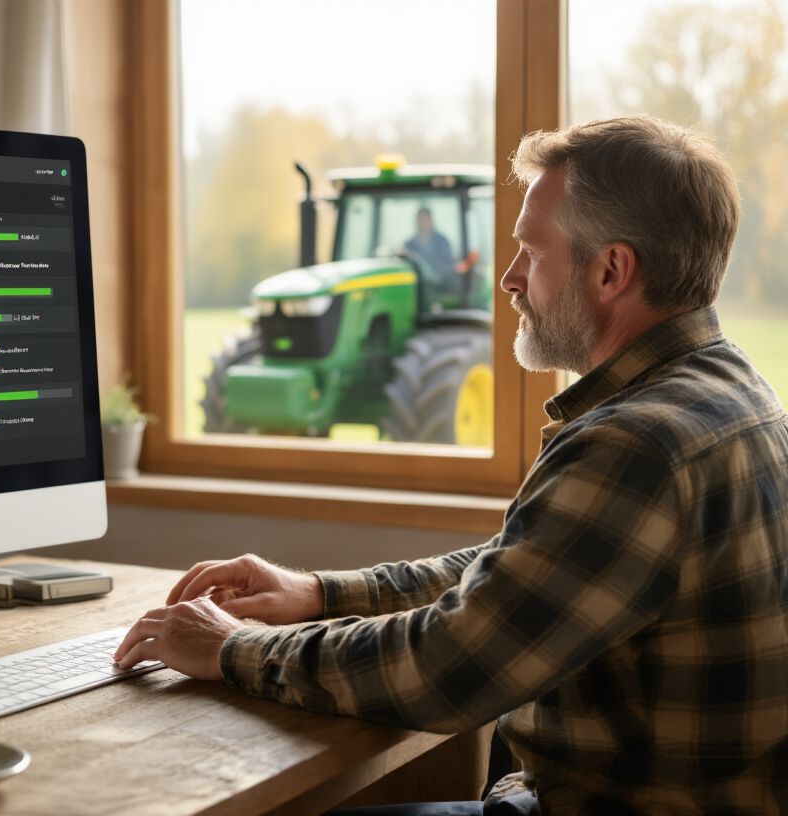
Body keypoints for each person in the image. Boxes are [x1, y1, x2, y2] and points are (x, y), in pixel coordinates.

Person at [115, 115, 788, 815]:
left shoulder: (637, 444)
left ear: (611, 270)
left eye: (532, 249)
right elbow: (523, 571)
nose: (509, 277)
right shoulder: (738, 394)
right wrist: (317, 594)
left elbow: (446, 668)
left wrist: (232, 648)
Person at [404, 207, 457, 285]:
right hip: (417, 286)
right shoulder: (409, 245)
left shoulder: (442, 242)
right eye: (419, 220)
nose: (421, 223)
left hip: (440, 287)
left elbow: (448, 269)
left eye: (424, 220)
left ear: (431, 221)